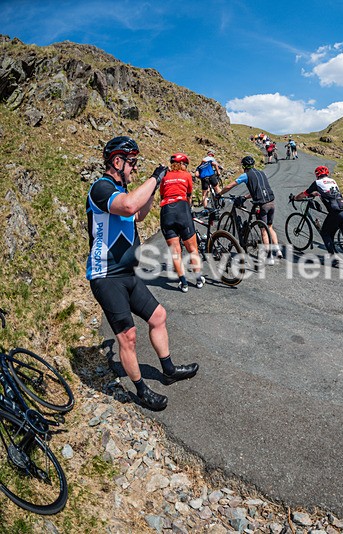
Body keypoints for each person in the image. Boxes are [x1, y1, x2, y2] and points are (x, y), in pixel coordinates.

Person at [86, 136, 199, 411]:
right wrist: (153, 177)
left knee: (158, 316)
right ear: (117, 161)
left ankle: (168, 370)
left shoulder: (120, 191)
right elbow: (128, 206)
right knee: (128, 336)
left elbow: (137, 215)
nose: (134, 168)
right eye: (132, 162)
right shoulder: (102, 188)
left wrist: (153, 189)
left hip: (128, 274)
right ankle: (141, 390)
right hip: (106, 277)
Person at [291, 166, 343, 271]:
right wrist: (316, 193)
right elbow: (330, 193)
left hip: (335, 212)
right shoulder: (333, 181)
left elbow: (304, 194)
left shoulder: (317, 183)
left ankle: (333, 258)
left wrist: (295, 198)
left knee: (325, 233)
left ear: (317, 175)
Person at [220, 155, 282, 264]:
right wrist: (245, 197)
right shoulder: (262, 173)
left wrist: (219, 193)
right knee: (269, 227)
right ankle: (277, 251)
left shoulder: (246, 175)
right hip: (271, 202)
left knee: (263, 231)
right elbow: (259, 190)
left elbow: (230, 186)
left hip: (262, 204)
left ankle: (270, 257)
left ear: (244, 166)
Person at [159, 153, 204, 292]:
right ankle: (198, 280)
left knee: (175, 252)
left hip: (167, 211)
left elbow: (162, 195)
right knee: (192, 249)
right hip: (182, 209)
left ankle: (183, 283)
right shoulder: (186, 175)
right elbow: (189, 195)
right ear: (182, 164)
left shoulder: (165, 176)